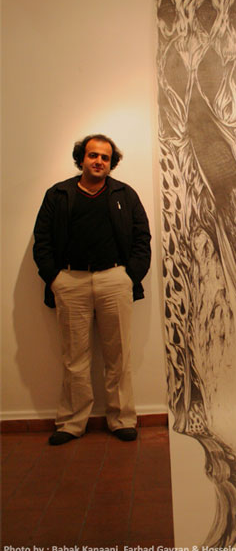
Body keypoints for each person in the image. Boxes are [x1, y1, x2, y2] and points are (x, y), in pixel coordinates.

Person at [33, 135, 152, 445]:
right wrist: (54, 278)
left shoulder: (125, 194)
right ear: (81, 159)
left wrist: (129, 277)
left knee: (119, 355)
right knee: (74, 358)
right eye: (93, 155)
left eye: (105, 157)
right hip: (70, 281)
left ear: (111, 163)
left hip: (115, 279)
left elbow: (142, 238)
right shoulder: (58, 194)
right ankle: (72, 423)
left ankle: (122, 419)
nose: (99, 161)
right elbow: (42, 240)